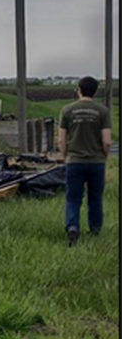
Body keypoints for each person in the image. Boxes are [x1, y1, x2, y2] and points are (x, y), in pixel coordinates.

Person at [58, 75, 112, 246]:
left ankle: (73, 227)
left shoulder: (67, 110)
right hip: (96, 162)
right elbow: (107, 141)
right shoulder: (103, 111)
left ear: (79, 90)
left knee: (73, 198)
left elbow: (61, 140)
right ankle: (95, 231)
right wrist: (104, 155)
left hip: (74, 162)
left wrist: (65, 155)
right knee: (95, 198)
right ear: (94, 92)